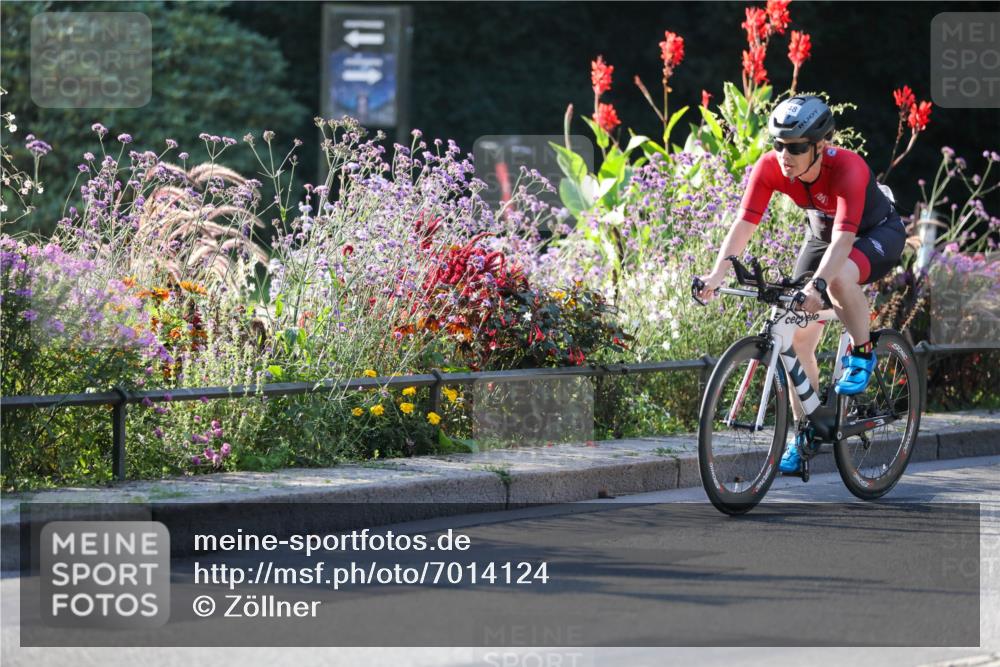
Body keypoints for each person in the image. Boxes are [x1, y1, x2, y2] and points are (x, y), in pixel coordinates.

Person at [694, 95, 907, 473]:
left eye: (794, 147)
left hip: (876, 233)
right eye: (778, 144)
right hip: (821, 233)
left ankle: (863, 351)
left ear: (820, 146)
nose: (783, 155)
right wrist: (717, 274)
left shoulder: (849, 169)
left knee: (837, 278)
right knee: (795, 335)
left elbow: (844, 243)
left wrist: (818, 287)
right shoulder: (770, 167)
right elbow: (744, 224)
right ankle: (806, 430)